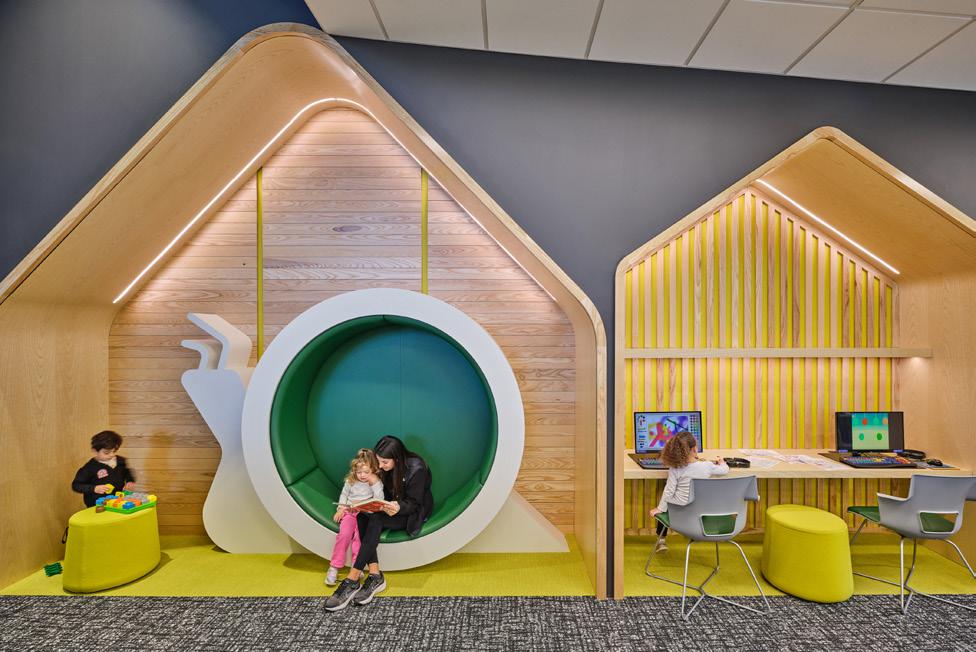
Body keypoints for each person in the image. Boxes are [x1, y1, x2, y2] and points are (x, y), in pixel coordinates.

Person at [325, 435, 433, 612]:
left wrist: (398, 507)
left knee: (375, 519)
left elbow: (415, 503)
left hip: (410, 511)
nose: (380, 466)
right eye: (378, 461)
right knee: (362, 516)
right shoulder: (384, 466)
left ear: (397, 458)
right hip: (389, 505)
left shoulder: (417, 468)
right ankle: (375, 575)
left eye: (384, 462)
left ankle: (352, 579)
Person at [649, 431, 728, 553]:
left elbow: (669, 491)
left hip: (679, 515)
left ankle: (661, 541)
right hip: (701, 515)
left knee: (667, 505)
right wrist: (722, 462)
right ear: (694, 449)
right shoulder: (707, 466)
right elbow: (724, 470)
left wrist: (660, 508)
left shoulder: (675, 468)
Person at [325, 449, 384, 586]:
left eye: (366, 472)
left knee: (359, 538)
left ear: (373, 470)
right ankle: (334, 567)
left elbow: (379, 499)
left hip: (364, 515)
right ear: (354, 471)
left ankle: (356, 567)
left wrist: (374, 483)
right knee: (344, 535)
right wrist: (341, 508)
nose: (362, 475)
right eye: (359, 472)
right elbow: (344, 495)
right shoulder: (350, 481)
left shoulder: (375, 482)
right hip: (350, 512)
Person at [71, 430, 136, 507]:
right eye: (106, 453)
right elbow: (76, 485)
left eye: (114, 451)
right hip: (97, 505)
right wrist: (94, 488)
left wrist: (130, 481)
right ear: (95, 451)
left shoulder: (120, 461)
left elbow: (127, 473)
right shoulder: (90, 467)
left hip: (118, 502)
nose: (111, 455)